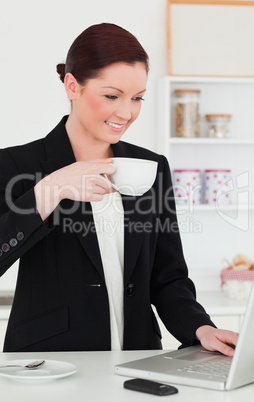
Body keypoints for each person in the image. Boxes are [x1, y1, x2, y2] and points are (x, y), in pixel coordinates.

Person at [0, 23, 238, 354]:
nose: (126, 113)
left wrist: (201, 329)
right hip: (50, 361)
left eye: (137, 98)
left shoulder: (151, 166)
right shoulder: (16, 165)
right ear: (72, 86)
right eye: (112, 96)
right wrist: (49, 190)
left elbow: (168, 278)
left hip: (137, 356)